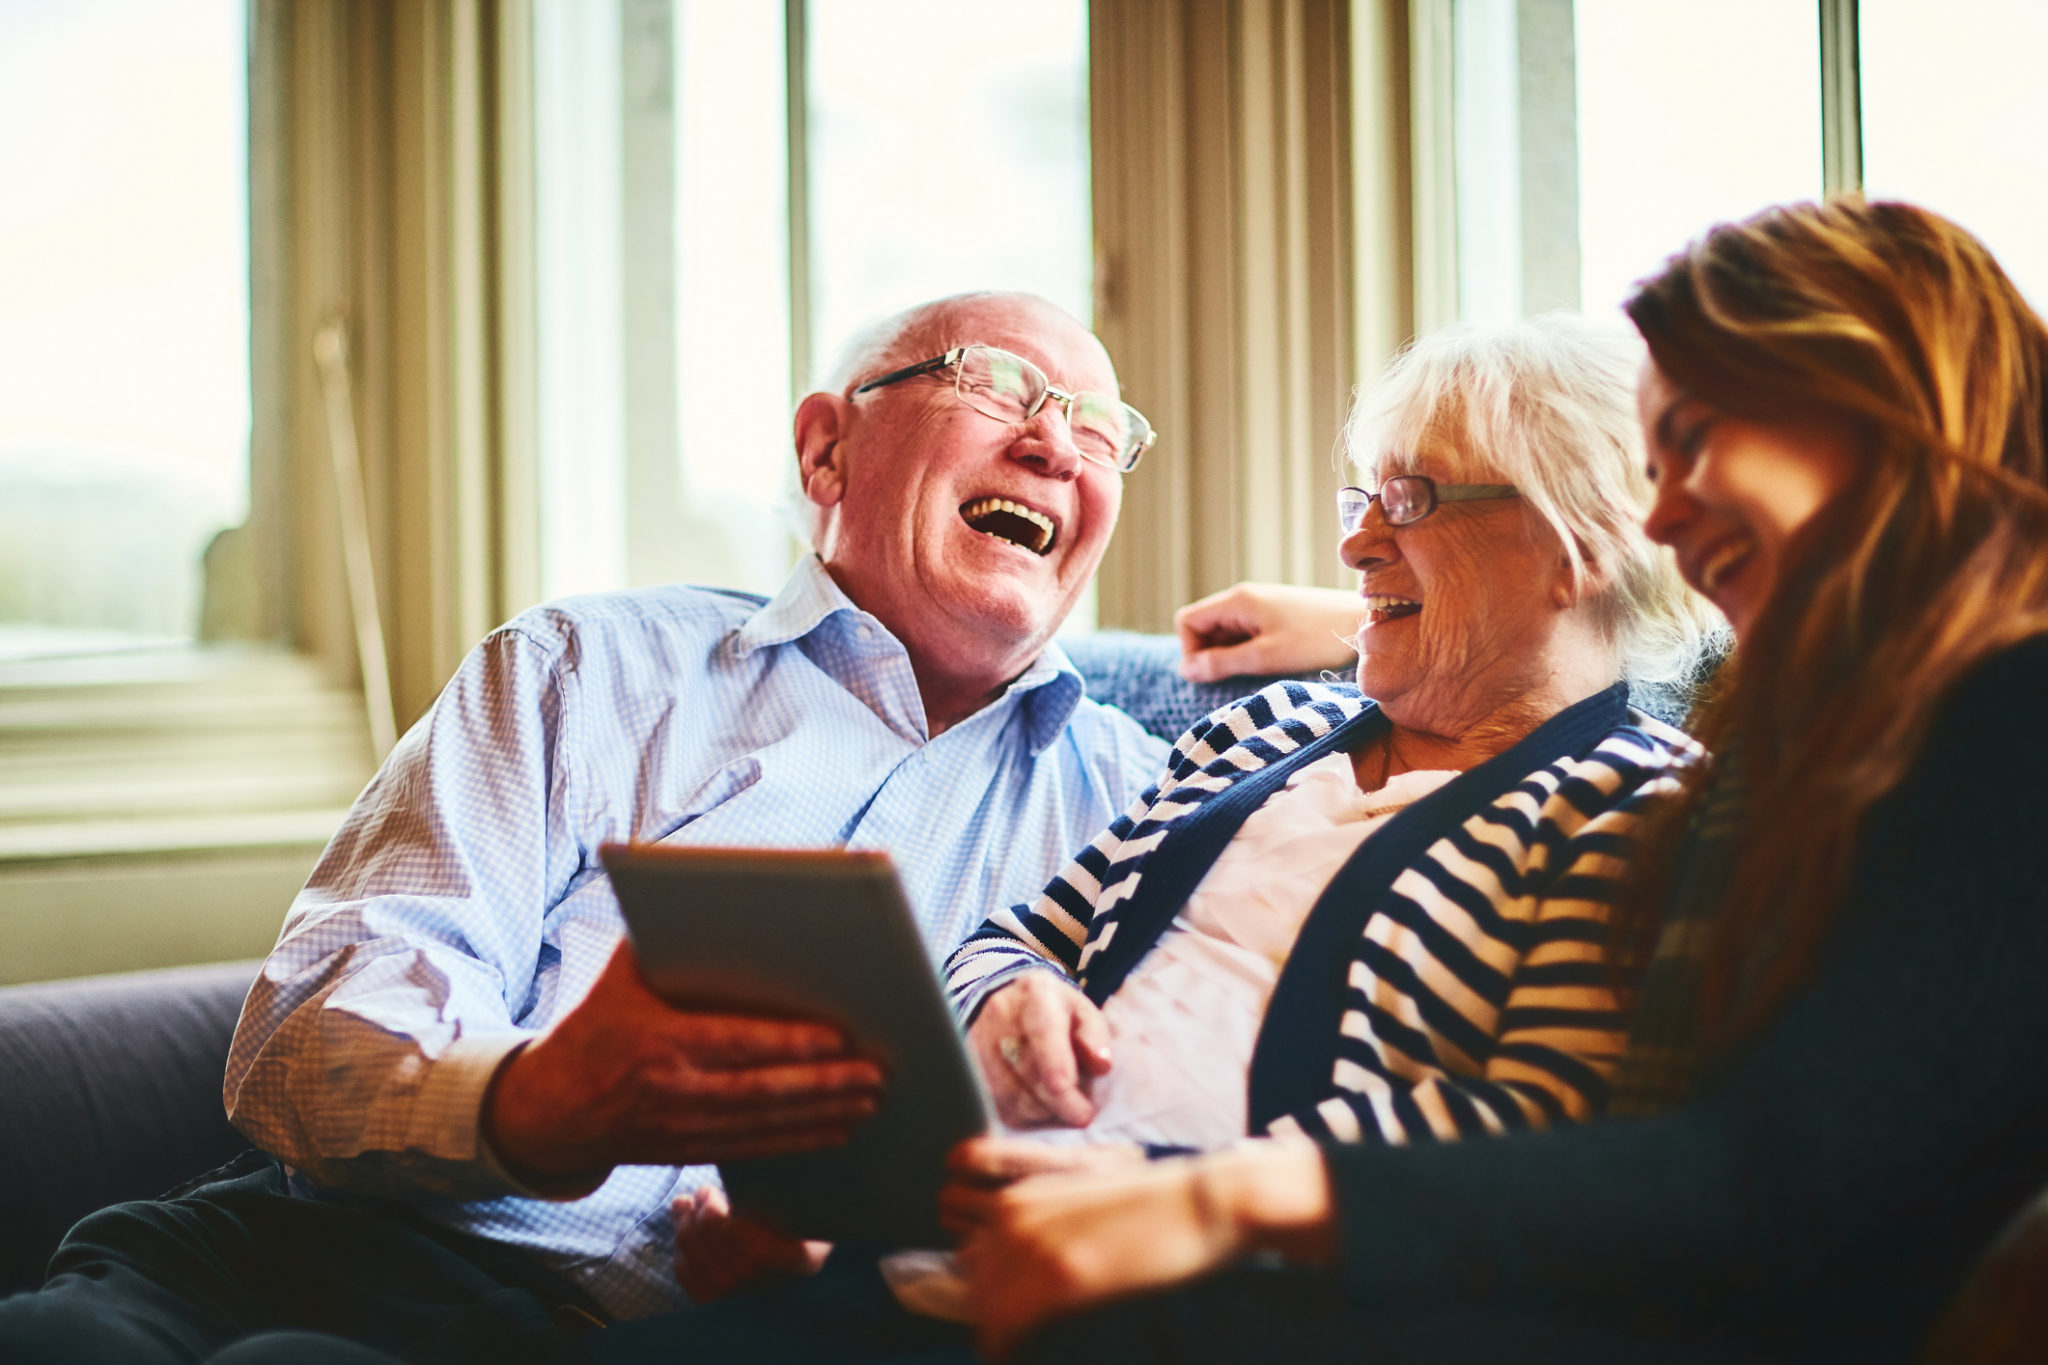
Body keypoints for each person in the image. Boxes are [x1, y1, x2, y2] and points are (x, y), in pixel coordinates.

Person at [955, 198, 2048, 1364]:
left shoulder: (1988, 718)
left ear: (1864, 401)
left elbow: (1763, 1180)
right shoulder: (1827, 731)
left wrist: (1223, 1197)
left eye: (1695, 440)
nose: (1664, 515)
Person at [0, 292, 1175, 1363]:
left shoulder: (1145, 806)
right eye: (996, 386)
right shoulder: (587, 667)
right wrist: (538, 1095)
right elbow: (303, 1033)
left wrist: (860, 1270)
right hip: (300, 1249)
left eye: (1099, 425)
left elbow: (1140, 1165)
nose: (1054, 444)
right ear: (827, 448)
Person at [592, 313, 1712, 1362]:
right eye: (1358, 502)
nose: (1359, 544)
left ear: (1583, 546)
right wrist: (1011, 1001)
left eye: (1410, 501)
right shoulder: (1266, 732)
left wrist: (1172, 1190)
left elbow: (1530, 1133)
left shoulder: (1634, 806)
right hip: (918, 1279)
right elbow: (1013, 939)